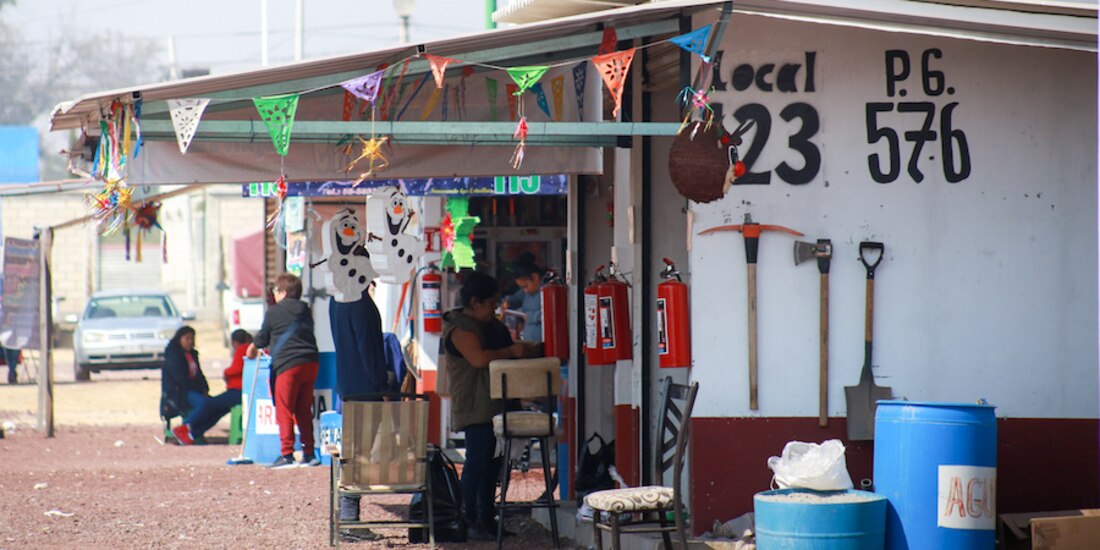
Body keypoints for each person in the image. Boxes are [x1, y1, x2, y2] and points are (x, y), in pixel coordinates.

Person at [442, 270, 537, 541]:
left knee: (495, 465)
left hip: (499, 403)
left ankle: (487, 517)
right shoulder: (460, 328)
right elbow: (479, 359)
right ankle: (465, 519)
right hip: (476, 406)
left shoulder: (491, 327)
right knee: (478, 462)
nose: (494, 309)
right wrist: (512, 351)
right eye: (490, 303)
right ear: (475, 302)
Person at [247, 273, 320, 469]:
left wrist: (251, 350)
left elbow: (261, 339)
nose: (274, 294)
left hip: (288, 364)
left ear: (283, 292)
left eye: (276, 290)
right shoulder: (306, 309)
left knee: (284, 409)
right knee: (304, 410)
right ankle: (309, 453)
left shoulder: (274, 312)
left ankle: (287, 453)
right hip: (311, 363)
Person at [170, 330, 252, 445]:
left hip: (238, 391)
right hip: (240, 391)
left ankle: (185, 427)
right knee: (217, 412)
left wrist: (226, 373)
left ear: (233, 342)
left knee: (209, 404)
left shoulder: (243, 349)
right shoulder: (252, 349)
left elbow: (238, 368)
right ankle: (191, 435)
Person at [162, 326, 210, 444]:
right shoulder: (173, 354)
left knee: (213, 405)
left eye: (192, 339)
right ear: (179, 339)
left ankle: (194, 432)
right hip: (178, 392)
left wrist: (205, 388)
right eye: (187, 339)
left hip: (192, 390)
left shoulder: (192, 354)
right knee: (204, 404)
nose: (190, 342)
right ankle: (183, 430)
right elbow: (180, 378)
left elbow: (198, 374)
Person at [503, 257, 545, 343]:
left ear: (535, 277)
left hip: (543, 342)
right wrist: (508, 303)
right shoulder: (525, 292)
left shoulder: (547, 291)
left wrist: (530, 316)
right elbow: (514, 299)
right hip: (529, 341)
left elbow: (550, 315)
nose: (525, 290)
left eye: (526, 286)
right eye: (522, 288)